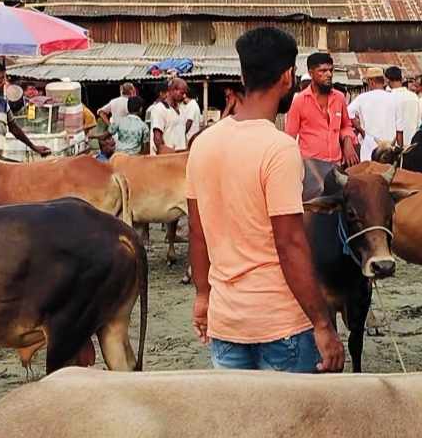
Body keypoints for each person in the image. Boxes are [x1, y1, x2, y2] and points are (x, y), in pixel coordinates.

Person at [186, 26, 344, 374]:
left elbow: (197, 232)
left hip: (226, 323)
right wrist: (322, 323)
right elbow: (290, 244)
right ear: (288, 77)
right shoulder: (279, 149)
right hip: (281, 326)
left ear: (244, 76)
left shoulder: (203, 144)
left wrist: (203, 296)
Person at [285, 52, 358, 166]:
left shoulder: (339, 98)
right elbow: (290, 138)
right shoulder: (299, 101)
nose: (329, 74)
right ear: (311, 73)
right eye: (323, 71)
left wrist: (348, 142)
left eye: (330, 70)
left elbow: (346, 126)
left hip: (336, 164)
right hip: (310, 166)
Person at [347, 67, 400, 161]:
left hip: (369, 144)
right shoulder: (394, 98)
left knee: (368, 169)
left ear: (371, 82)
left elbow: (348, 114)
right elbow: (399, 125)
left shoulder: (362, 98)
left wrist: (360, 130)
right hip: (389, 147)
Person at [151, 78, 189, 155]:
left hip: (180, 156)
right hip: (167, 157)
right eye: (182, 93)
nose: (184, 96)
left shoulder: (181, 109)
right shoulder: (160, 108)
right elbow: (157, 139)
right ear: (172, 90)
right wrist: (170, 154)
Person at [385, 66, 420, 146]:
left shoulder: (389, 97)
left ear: (387, 80)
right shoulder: (414, 96)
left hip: (395, 145)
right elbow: (419, 121)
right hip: (414, 143)